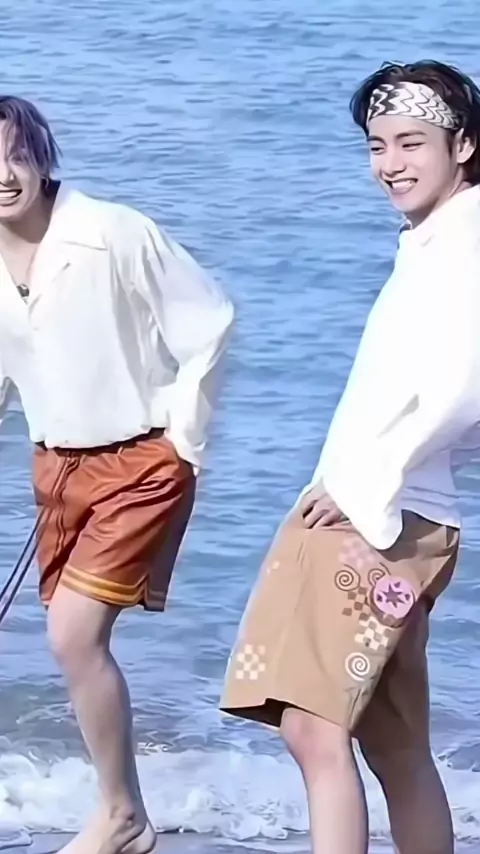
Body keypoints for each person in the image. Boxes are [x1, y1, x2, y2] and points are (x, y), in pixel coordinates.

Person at [221, 59, 480, 854]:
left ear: (463, 144)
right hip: (399, 511)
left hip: (379, 515)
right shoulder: (437, 239)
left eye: (410, 143)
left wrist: (366, 482)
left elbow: (466, 387)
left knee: (314, 726)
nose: (389, 164)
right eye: (376, 146)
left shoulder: (465, 244)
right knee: (390, 740)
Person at [0, 96, 234, 854]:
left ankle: (121, 816)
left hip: (139, 460)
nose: (3, 175)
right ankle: (124, 814)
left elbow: (210, 322)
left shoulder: (112, 232)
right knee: (71, 642)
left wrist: (183, 442)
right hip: (55, 470)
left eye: (15, 155)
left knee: (72, 635)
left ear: (41, 156)